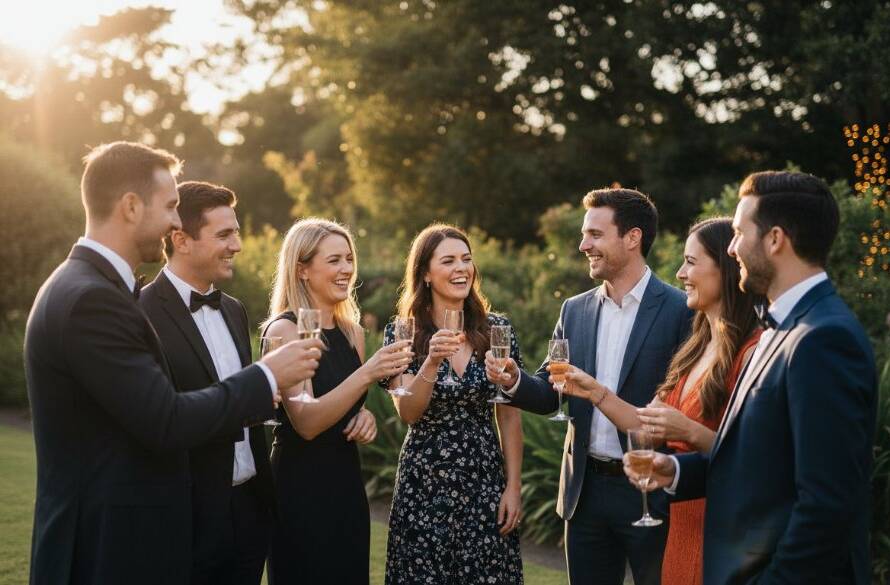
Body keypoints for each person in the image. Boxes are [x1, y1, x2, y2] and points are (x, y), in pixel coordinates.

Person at [23, 142, 323, 585]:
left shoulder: (90, 287)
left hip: (140, 538)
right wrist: (266, 375)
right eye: (169, 207)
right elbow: (164, 419)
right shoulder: (93, 299)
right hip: (103, 550)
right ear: (129, 206)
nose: (174, 221)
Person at [624, 171, 878, 585]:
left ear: (775, 239)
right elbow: (764, 463)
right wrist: (676, 470)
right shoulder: (780, 329)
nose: (732, 248)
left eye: (740, 233)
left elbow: (827, 506)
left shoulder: (824, 338)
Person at [486, 188, 692, 585]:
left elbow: (683, 405)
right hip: (585, 492)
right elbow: (551, 393)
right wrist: (514, 380)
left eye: (595, 235)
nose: (584, 245)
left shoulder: (679, 310)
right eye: (585, 235)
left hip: (650, 490)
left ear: (632, 238)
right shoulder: (574, 309)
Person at [558, 217, 762, 585]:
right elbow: (643, 426)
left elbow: (756, 458)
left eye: (691, 261)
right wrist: (594, 391)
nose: (681, 272)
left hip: (720, 518)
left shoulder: (754, 351)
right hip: (683, 515)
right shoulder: (695, 348)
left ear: (727, 269)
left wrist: (687, 431)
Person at [139, 181, 274, 585]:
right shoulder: (141, 314)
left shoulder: (233, 310)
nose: (237, 245)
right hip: (188, 516)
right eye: (224, 234)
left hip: (249, 507)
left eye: (236, 232)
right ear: (181, 239)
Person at [264, 218, 412, 585]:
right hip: (299, 486)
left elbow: (342, 403)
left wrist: (365, 418)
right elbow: (308, 422)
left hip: (345, 484)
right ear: (302, 269)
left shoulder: (353, 333)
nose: (346, 269)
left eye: (348, 259)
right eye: (334, 260)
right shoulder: (284, 329)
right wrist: (368, 372)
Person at [382, 223, 524, 584]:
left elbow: (509, 418)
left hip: (484, 479)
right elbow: (408, 413)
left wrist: (513, 487)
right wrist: (430, 361)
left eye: (466, 259)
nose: (461, 268)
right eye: (448, 260)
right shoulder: (403, 332)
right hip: (424, 481)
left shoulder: (497, 331)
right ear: (426, 274)